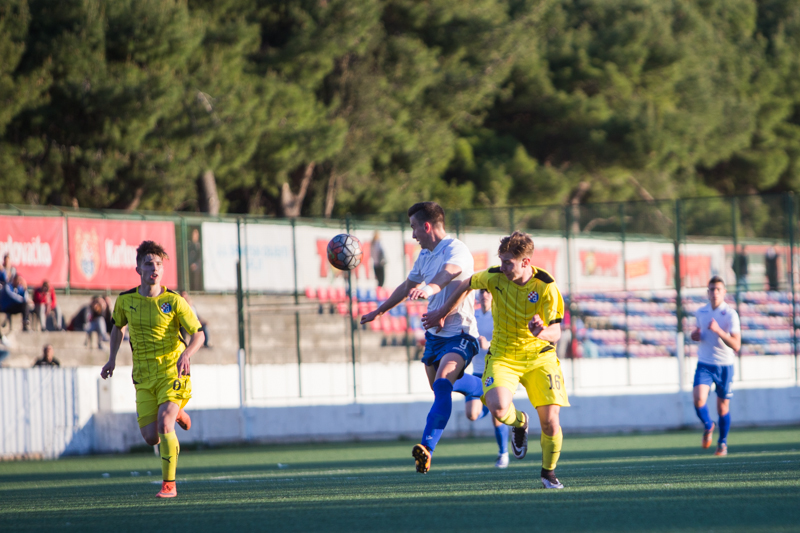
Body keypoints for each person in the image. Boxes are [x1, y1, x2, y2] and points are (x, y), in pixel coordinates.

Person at [423, 231, 570, 489]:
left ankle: (548, 473)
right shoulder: (494, 277)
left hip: (540, 356)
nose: (502, 267)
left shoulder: (546, 285)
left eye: (508, 263)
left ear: (525, 262)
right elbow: (467, 283)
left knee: (550, 422)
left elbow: (557, 331)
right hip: (503, 355)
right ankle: (520, 422)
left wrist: (541, 332)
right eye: (501, 260)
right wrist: (441, 312)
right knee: (499, 408)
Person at [360, 201, 483, 474]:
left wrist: (430, 288)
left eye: (414, 228)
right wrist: (380, 311)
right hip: (435, 335)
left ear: (427, 226)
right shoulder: (425, 255)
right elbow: (407, 286)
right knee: (444, 386)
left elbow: (450, 272)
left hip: (461, 332)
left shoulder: (456, 249)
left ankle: (427, 449)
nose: (413, 234)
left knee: (442, 383)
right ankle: (486, 387)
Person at [100, 241, 205, 498]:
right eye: (149, 263)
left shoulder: (174, 300)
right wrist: (112, 358)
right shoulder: (125, 301)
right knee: (151, 437)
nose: (154, 268)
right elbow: (117, 328)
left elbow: (199, 334)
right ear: (138, 268)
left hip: (172, 372)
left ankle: (169, 485)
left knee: (165, 424)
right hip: (144, 377)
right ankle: (178, 412)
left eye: (158, 264)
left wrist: (187, 354)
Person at [690, 276, 741, 457]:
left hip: (724, 365)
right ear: (708, 292)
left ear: (724, 292)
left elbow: (736, 345)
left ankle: (722, 443)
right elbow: (699, 334)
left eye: (718, 289)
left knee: (722, 409)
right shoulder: (701, 312)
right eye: (712, 289)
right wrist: (695, 335)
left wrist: (719, 331)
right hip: (705, 363)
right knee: (698, 399)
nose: (715, 293)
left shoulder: (730, 314)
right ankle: (708, 425)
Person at [468, 289, 509, 468]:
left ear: (492, 295)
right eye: (482, 292)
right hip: (477, 372)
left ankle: (504, 454)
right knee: (471, 414)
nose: (484, 294)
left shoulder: (498, 314)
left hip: (495, 372)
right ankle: (488, 405)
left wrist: (489, 344)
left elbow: (507, 341)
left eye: (488, 292)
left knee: (497, 416)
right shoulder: (473, 316)